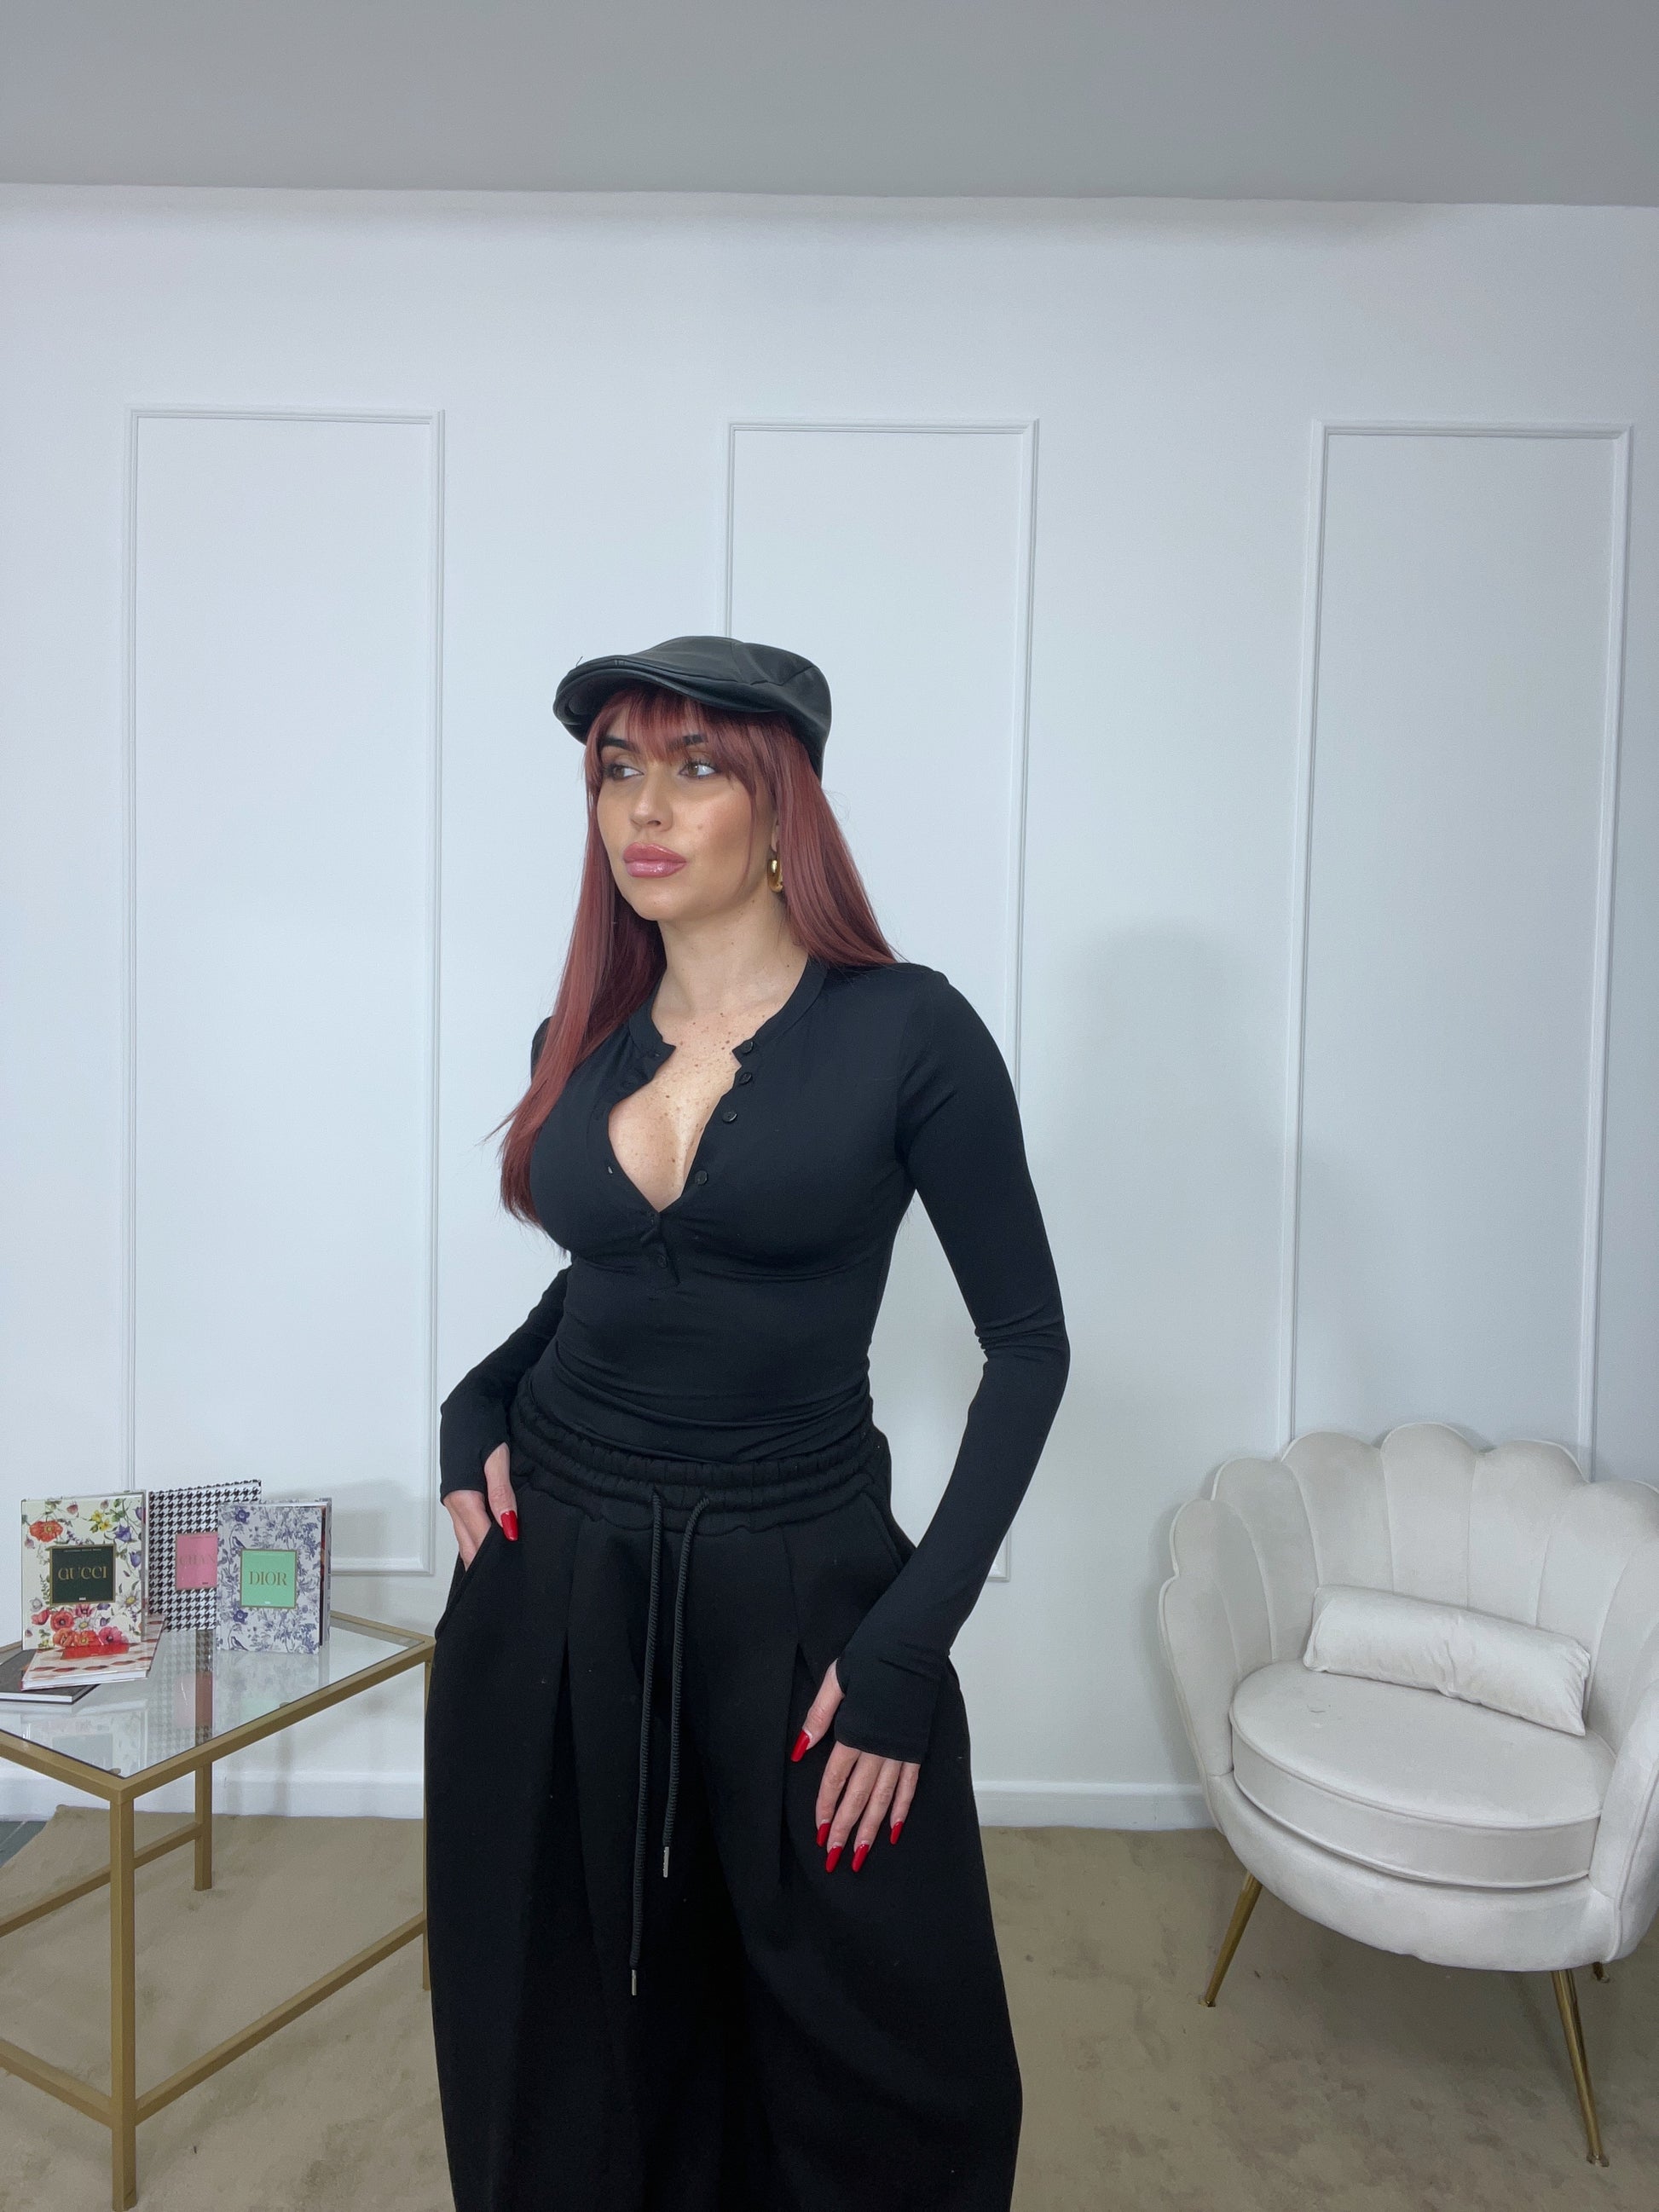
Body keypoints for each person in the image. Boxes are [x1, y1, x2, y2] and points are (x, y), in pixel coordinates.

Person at [424, 635, 1071, 2212]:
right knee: (557, 2014)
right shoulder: (579, 1034)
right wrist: (476, 1399)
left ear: (784, 809)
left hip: (795, 1577)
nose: (643, 808)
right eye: (616, 770)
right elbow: (606, 1285)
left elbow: (1027, 1350)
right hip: (554, 1573)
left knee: (881, 2045)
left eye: (696, 767)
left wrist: (906, 1651)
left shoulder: (907, 1032)